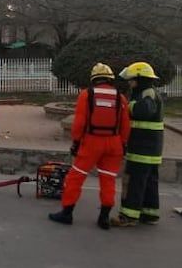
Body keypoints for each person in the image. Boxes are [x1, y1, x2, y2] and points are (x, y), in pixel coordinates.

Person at [49, 63, 131, 229]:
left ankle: (67, 213)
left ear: (94, 79)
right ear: (110, 79)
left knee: (76, 178)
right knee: (108, 180)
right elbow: (125, 125)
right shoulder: (120, 98)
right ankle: (104, 217)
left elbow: (79, 123)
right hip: (114, 143)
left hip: (91, 142)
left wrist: (76, 142)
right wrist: (123, 144)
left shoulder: (87, 95)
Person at [111, 61, 164, 227]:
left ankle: (128, 216)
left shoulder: (147, 94)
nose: (130, 82)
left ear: (140, 79)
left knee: (133, 181)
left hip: (142, 147)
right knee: (148, 181)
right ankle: (149, 213)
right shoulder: (149, 91)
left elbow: (144, 111)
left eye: (132, 79)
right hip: (150, 147)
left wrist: (128, 106)